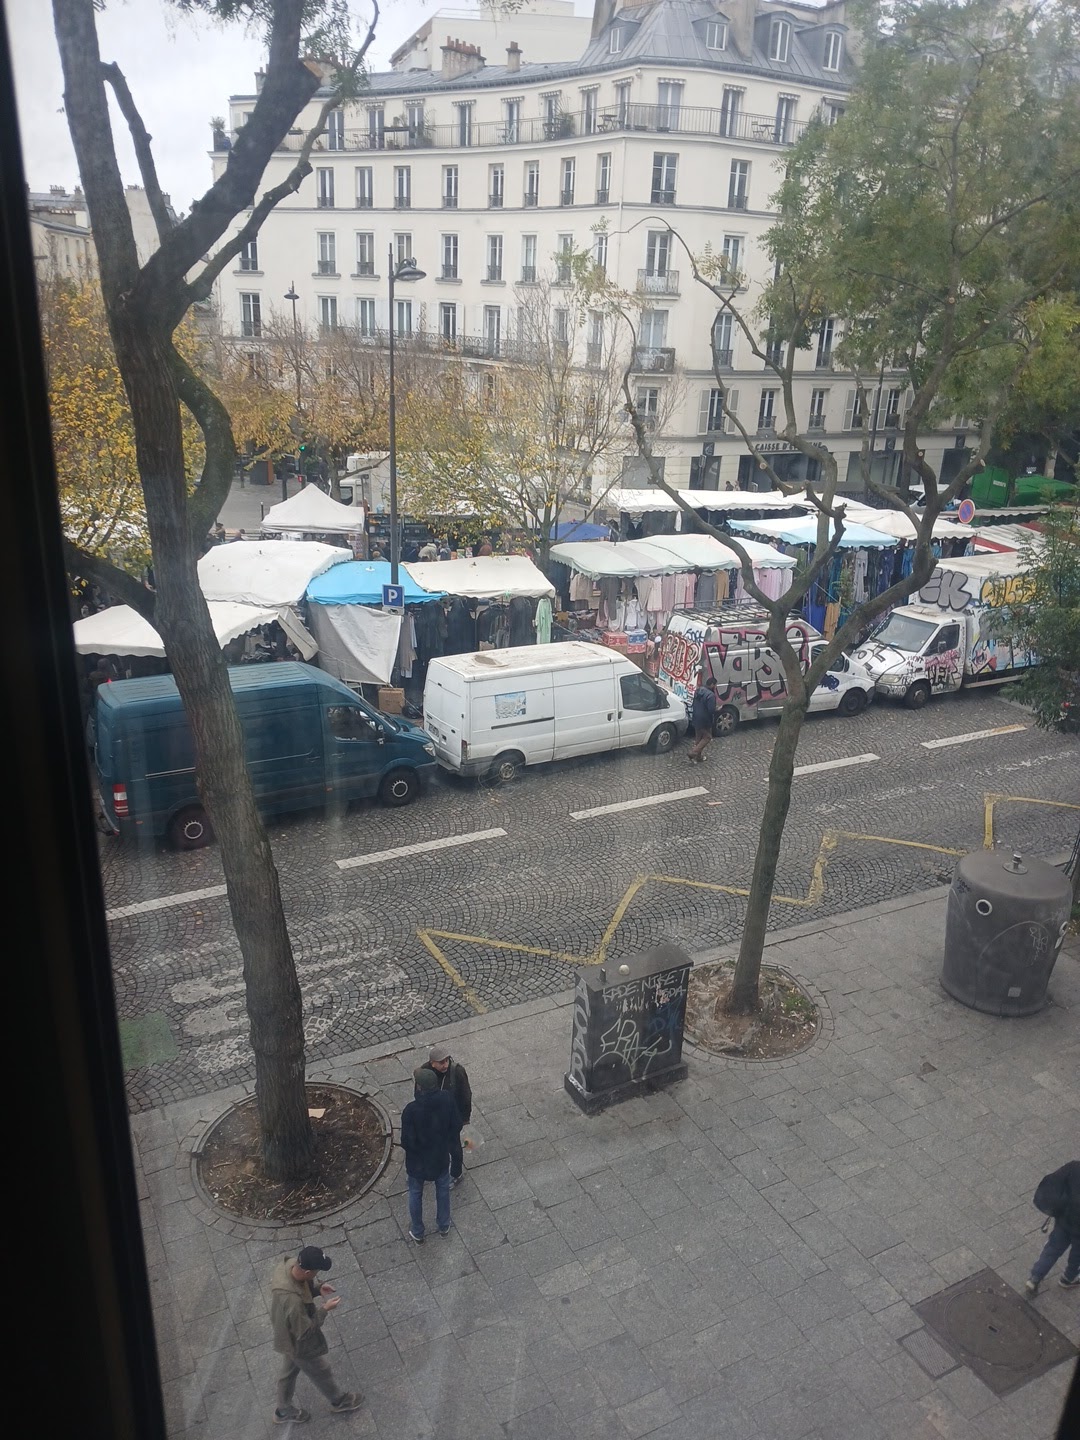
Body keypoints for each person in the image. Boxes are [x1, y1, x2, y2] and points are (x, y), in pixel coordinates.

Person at [269, 1245, 362, 1424]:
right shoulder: (292, 1302)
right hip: (296, 1340)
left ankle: (283, 1411)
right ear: (306, 1271)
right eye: (316, 1272)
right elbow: (305, 1331)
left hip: (287, 1334)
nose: (316, 1274)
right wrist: (325, 1309)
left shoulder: (289, 1264)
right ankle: (339, 1401)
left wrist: (317, 1289)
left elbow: (301, 1287)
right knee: (320, 1370)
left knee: (288, 1372)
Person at [401, 1066, 462, 1241]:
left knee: (415, 1192)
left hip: (417, 1162)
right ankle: (443, 1225)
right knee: (442, 1190)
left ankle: (418, 1231)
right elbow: (456, 1125)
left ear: (419, 1087)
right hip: (440, 1156)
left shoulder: (411, 1110)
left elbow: (407, 1141)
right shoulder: (447, 1099)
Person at [419, 1043, 473, 1186]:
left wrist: (465, 1118)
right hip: (433, 1119)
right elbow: (418, 1093)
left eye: (447, 1061)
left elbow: (466, 1095)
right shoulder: (424, 1072)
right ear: (432, 1063)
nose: (445, 1065)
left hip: (451, 1120)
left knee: (454, 1147)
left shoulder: (457, 1071)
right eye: (441, 1062)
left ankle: (456, 1174)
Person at [1025, 1160, 1080, 1295]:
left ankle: (1035, 1277)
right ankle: (1068, 1279)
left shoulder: (1074, 1167)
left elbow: (1053, 1182)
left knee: (1052, 1248)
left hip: (1064, 1220)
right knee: (1077, 1257)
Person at [687, 671, 717, 763]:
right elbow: (711, 710)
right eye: (715, 685)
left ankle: (698, 757)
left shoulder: (698, 690)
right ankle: (693, 753)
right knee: (707, 737)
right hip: (704, 720)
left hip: (696, 717)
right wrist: (718, 709)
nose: (715, 687)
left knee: (698, 738)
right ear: (712, 684)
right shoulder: (710, 695)